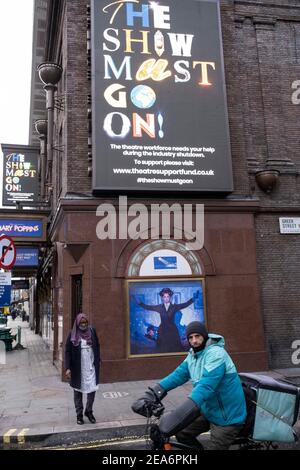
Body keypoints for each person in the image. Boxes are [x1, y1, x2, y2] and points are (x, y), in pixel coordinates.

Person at [132, 321, 247, 450]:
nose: (194, 341)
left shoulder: (216, 354)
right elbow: (177, 375)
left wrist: (178, 416)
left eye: (198, 336)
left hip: (227, 416)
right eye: (190, 338)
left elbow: (205, 387)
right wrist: (153, 393)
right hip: (209, 411)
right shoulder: (193, 355)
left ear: (205, 336)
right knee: (182, 434)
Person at [65, 313, 101, 425]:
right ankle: (79, 415)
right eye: (81, 323)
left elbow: (97, 345)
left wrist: (98, 359)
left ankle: (89, 411)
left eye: (85, 322)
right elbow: (68, 351)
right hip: (77, 367)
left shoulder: (92, 331)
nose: (84, 325)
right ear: (77, 323)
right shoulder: (72, 333)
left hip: (91, 365)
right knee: (78, 392)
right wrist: (68, 368)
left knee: (92, 389)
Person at [136, 288, 194, 353]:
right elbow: (149, 307)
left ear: (170, 297)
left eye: (168, 296)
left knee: (175, 349)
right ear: (162, 298)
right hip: (162, 330)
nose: (166, 298)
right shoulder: (159, 307)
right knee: (162, 349)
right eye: (164, 297)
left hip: (172, 330)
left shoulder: (175, 307)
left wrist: (193, 299)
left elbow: (184, 304)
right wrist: (140, 303)